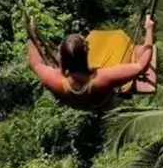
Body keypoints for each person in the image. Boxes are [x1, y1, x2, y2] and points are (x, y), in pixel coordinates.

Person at [26, 16, 155, 110]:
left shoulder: (55, 80)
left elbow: (36, 64)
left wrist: (30, 39)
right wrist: (149, 29)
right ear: (86, 54)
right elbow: (141, 66)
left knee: (100, 38)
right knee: (119, 39)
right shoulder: (102, 78)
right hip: (106, 102)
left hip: (77, 102)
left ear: (63, 59)